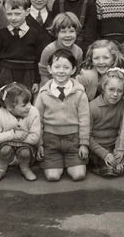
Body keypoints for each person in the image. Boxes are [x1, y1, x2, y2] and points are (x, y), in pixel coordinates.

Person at [35, 49, 90, 182]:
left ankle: (70, 163)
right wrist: (39, 144)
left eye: (66, 67)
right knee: (53, 177)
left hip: (73, 140)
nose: (61, 71)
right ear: (49, 69)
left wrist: (84, 144)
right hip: (51, 140)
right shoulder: (43, 93)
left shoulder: (80, 93)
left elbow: (84, 120)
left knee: (79, 176)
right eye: (57, 67)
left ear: (73, 70)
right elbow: (37, 120)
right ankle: (57, 163)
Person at [0, 0, 43, 93]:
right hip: (5, 75)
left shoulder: (35, 34)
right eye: (9, 14)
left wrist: (36, 80)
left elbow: (38, 59)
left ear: (27, 12)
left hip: (27, 75)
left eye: (17, 14)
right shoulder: (1, 35)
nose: (13, 18)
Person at [0, 82, 41, 183]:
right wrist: (13, 135)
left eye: (30, 102)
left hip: (27, 148)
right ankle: (1, 169)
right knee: (5, 150)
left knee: (25, 152)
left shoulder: (33, 112)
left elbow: (35, 138)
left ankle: (25, 168)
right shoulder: (0, 114)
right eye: (24, 105)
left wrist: (17, 138)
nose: (29, 106)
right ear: (10, 108)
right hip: (6, 147)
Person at [89, 69, 124, 177]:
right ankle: (99, 165)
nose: (115, 94)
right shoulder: (92, 107)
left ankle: (114, 163)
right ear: (103, 88)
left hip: (113, 146)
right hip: (96, 148)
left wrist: (119, 154)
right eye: (111, 89)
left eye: (120, 91)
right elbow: (86, 136)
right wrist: (104, 154)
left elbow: (123, 131)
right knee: (109, 171)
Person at [38, 12, 84, 86]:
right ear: (56, 33)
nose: (68, 35)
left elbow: (76, 73)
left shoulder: (78, 51)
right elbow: (44, 75)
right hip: (49, 86)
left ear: (77, 32)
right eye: (63, 32)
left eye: (71, 31)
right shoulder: (49, 50)